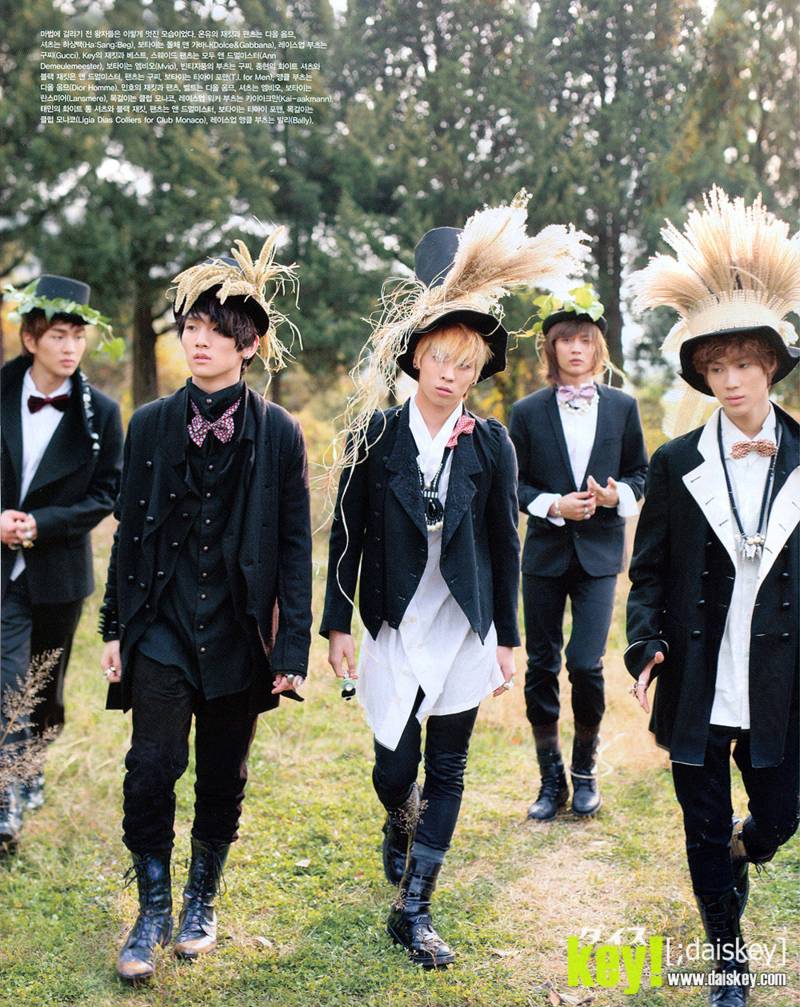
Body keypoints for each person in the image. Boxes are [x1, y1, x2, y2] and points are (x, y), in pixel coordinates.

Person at [321, 196, 589, 968]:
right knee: (394, 766)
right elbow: (346, 532)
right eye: (441, 358)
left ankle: (415, 908)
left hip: (463, 619)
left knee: (449, 766)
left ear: (478, 372)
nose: (452, 374)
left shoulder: (492, 444)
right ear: (415, 358)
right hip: (395, 618)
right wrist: (337, 623)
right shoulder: (375, 434)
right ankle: (396, 817)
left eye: (467, 365)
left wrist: (507, 637)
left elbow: (506, 544)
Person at [98, 232, 312, 983]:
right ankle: (151, 906)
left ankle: (201, 900)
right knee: (149, 768)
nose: (198, 341)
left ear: (247, 346)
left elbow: (295, 547)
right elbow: (127, 532)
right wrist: (114, 627)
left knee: (223, 775)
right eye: (190, 327)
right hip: (159, 627)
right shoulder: (150, 423)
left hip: (237, 634)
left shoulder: (279, 433)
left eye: (216, 332)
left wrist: (292, 650)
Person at [627, 187, 800, 1005]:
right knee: (701, 824)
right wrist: (645, 641)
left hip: (783, 680)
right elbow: (648, 570)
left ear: (770, 367)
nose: (730, 382)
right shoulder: (674, 464)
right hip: (699, 673)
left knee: (779, 816)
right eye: (716, 368)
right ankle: (728, 960)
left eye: (743, 365)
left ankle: (747, 849)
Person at [509, 289, 647, 819]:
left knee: (585, 663)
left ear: (597, 348)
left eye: (584, 340)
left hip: (600, 557)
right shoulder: (526, 412)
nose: (574, 348)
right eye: (565, 340)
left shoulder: (622, 407)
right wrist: (552, 505)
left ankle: (586, 772)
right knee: (540, 665)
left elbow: (641, 472)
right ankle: (551, 781)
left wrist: (616, 496)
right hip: (543, 557)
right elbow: (514, 485)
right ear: (551, 348)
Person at [0, 275, 122, 852]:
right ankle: (5, 799)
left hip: (58, 573)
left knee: (45, 685)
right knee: (7, 681)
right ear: (31, 339)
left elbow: (107, 494)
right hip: (2, 570)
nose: (71, 347)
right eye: (57, 335)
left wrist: (42, 524)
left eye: (78, 336)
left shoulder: (102, 413)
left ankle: (32, 766)